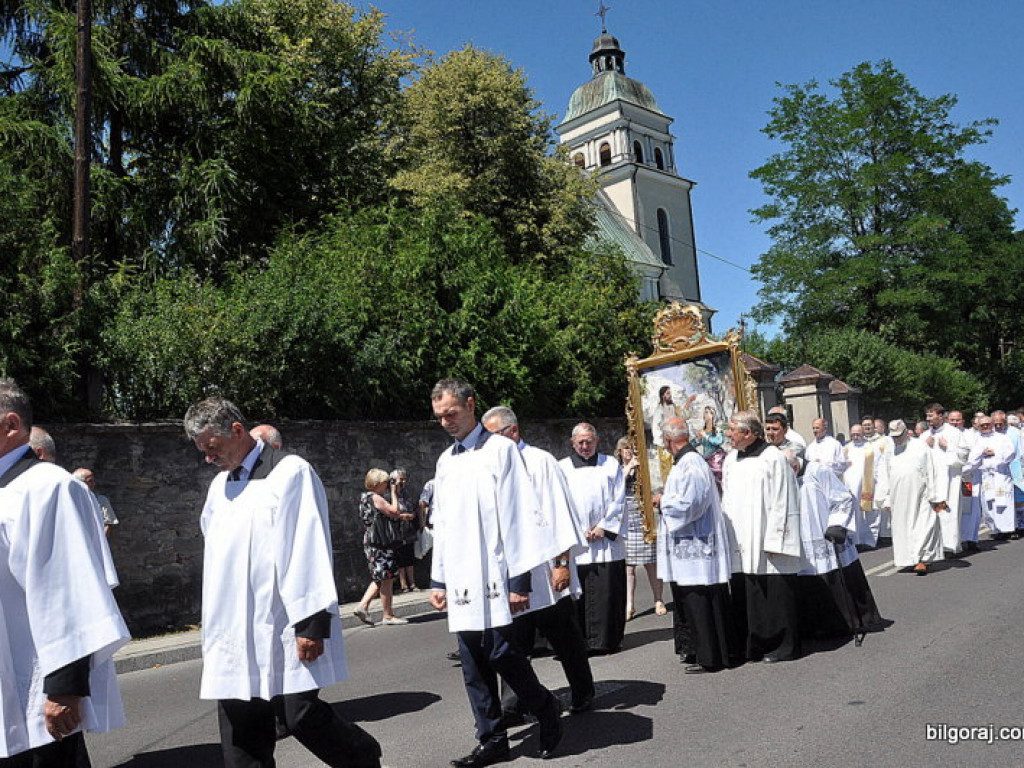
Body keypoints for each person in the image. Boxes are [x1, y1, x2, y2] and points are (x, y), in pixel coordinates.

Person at [184, 396, 380, 768]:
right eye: (202, 451)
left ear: (237, 431)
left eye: (211, 448)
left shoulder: (290, 472)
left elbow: (307, 544)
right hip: (234, 629)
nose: (207, 458)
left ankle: (362, 755)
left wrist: (311, 623)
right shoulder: (218, 488)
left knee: (298, 715)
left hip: (281, 621)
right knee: (242, 731)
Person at [429, 379, 564, 766]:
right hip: (461, 576)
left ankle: (544, 706)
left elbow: (520, 515)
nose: (446, 422)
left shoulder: (502, 450)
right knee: (472, 661)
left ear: (471, 406)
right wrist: (438, 579)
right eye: (439, 417)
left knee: (503, 653)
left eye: (451, 414)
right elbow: (443, 523)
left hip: (497, 571)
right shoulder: (445, 461)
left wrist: (519, 581)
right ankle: (491, 738)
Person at [0, 378, 130, 766]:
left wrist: (63, 689)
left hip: (35, 687)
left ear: (10, 425)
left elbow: (68, 591)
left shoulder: (47, 486)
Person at [480, 406, 594, 720]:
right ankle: (514, 704)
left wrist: (561, 563)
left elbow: (557, 512)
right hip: (514, 572)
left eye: (492, 436)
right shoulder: (492, 464)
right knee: (514, 641)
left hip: (545, 570)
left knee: (564, 637)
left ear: (512, 432)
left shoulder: (540, 462)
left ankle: (582, 691)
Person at [720, 410, 805, 663]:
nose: (727, 434)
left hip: (766, 536)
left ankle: (783, 645)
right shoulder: (730, 459)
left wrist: (776, 538)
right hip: (740, 536)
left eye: (731, 429)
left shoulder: (773, 458)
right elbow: (726, 496)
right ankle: (752, 644)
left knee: (774, 594)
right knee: (746, 592)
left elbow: (784, 499)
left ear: (747, 433)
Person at [654, 418, 735, 673]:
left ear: (668, 441)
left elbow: (691, 504)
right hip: (691, 547)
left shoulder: (691, 464)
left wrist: (662, 501)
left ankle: (710, 655)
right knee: (692, 600)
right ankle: (698, 650)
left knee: (700, 600)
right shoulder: (689, 462)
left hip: (697, 549)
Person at [559, 423, 629, 654]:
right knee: (577, 595)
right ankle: (578, 642)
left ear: (597, 441)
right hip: (577, 542)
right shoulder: (562, 468)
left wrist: (603, 527)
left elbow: (619, 499)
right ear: (572, 443)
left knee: (607, 592)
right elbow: (559, 504)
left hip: (605, 541)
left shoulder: (610, 465)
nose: (585, 446)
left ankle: (607, 640)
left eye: (589, 441)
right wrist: (577, 531)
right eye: (580, 442)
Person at [796, 461, 885, 637]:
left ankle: (853, 621)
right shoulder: (783, 476)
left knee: (837, 574)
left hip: (826, 531)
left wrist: (837, 523)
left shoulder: (818, 470)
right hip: (802, 536)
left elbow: (842, 497)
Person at [615, 436, 666, 621]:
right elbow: (615, 486)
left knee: (651, 562)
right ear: (620, 451)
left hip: (644, 516)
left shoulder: (645, 469)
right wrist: (629, 467)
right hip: (627, 519)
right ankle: (629, 604)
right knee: (629, 566)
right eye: (625, 448)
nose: (628, 451)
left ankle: (658, 599)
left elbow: (656, 486)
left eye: (631, 448)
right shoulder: (618, 470)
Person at [354, 469, 413, 626]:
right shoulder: (375, 497)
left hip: (373, 542)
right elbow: (394, 510)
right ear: (378, 483)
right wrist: (394, 493)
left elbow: (380, 517)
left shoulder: (365, 498)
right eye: (386, 483)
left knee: (380, 577)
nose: (387, 485)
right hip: (380, 543)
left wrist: (400, 517)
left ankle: (363, 606)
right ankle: (388, 615)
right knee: (386, 577)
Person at [886, 419, 945, 574]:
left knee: (924, 525)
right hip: (899, 496)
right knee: (903, 528)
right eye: (894, 436)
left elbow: (931, 470)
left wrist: (934, 495)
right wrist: (885, 497)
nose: (896, 439)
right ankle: (908, 559)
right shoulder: (889, 449)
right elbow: (885, 474)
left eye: (899, 435)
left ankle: (922, 558)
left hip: (922, 495)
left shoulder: (920, 446)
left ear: (906, 432)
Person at [922, 403, 968, 555]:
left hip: (949, 481)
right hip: (932, 483)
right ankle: (936, 545)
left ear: (941, 416)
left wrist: (948, 447)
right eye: (927, 416)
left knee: (949, 512)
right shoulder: (924, 436)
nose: (928, 419)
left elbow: (964, 455)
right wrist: (924, 446)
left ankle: (950, 545)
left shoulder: (954, 433)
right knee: (934, 513)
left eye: (931, 415)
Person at [963, 415, 1016, 541]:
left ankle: (1007, 529)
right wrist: (982, 453)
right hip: (985, 476)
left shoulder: (1002, 438)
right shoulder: (977, 439)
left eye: (987, 424)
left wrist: (996, 455)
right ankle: (996, 528)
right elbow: (972, 457)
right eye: (982, 425)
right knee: (989, 503)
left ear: (992, 424)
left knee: (1003, 502)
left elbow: (1010, 452)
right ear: (978, 426)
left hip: (1000, 474)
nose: (985, 426)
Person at [841, 424, 888, 548]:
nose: (856, 437)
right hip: (849, 488)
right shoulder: (845, 449)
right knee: (853, 515)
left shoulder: (871, 448)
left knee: (869, 514)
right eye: (853, 435)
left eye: (858, 434)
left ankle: (869, 541)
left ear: (863, 434)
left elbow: (879, 467)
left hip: (868, 486)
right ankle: (855, 540)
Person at [390, 468, 420, 592]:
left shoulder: (406, 493)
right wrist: (403, 516)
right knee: (400, 558)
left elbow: (412, 506)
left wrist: (412, 514)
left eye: (404, 479)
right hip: (397, 530)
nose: (403, 482)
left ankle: (412, 583)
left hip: (408, 530)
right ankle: (404, 585)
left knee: (409, 557)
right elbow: (391, 511)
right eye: (400, 479)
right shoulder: (389, 495)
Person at [73, 468, 120, 537]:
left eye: (93, 481)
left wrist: (100, 543)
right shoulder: (70, 501)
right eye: (90, 481)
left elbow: (107, 524)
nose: (94, 484)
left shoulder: (101, 500)